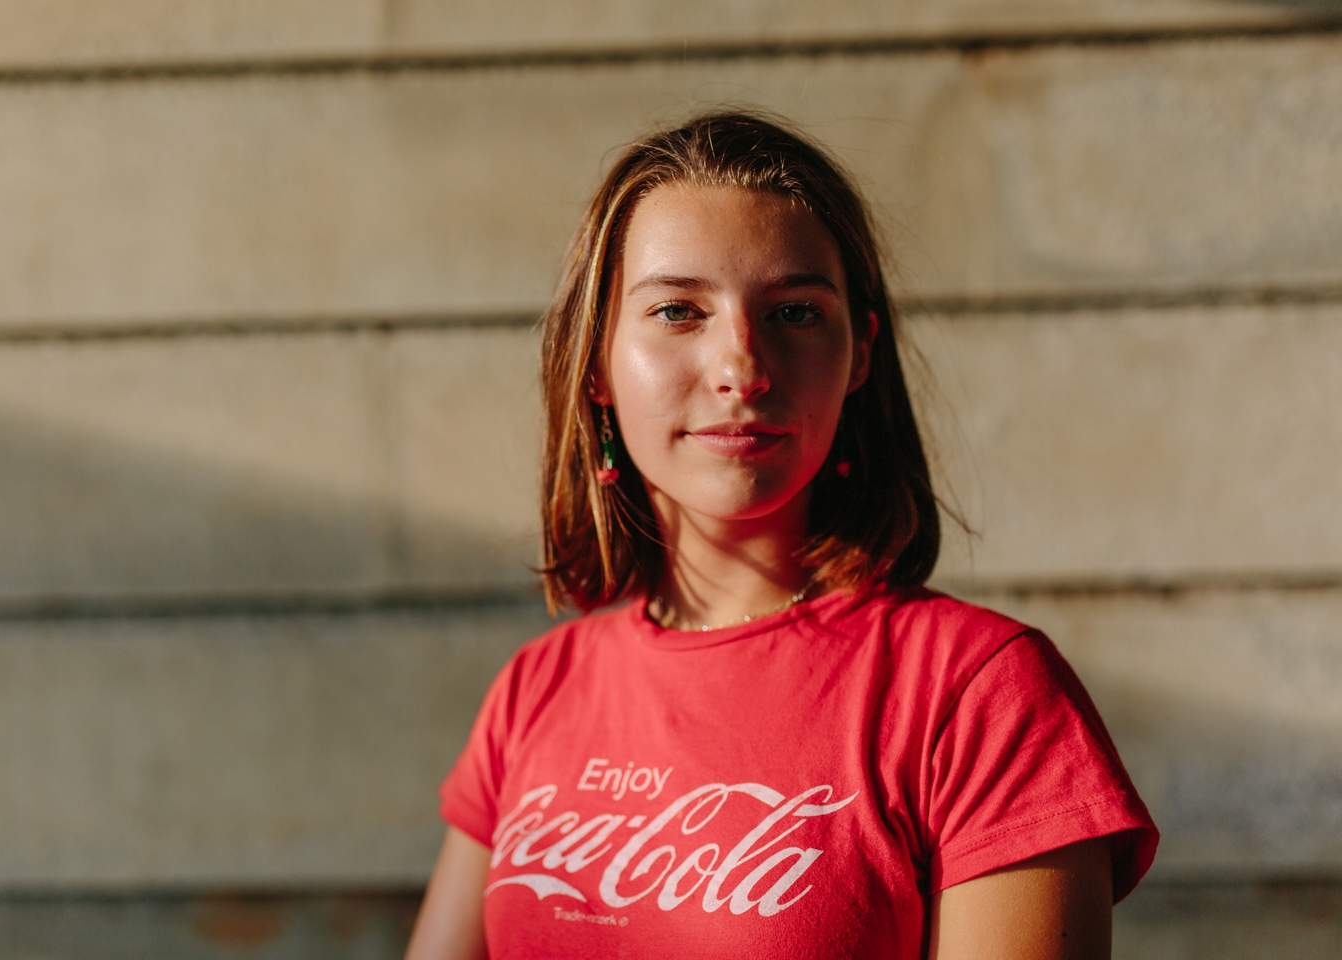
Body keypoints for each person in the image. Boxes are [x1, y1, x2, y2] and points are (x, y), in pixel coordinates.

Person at [404, 111, 1156, 960]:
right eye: (679, 311)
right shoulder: (534, 692)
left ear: (859, 354)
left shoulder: (980, 694)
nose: (741, 367)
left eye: (795, 312)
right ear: (596, 363)